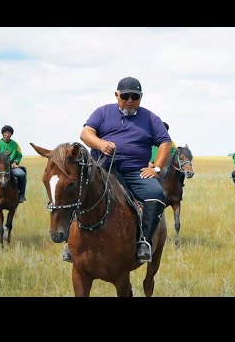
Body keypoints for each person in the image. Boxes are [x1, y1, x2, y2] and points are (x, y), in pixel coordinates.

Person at [72, 76, 172, 264]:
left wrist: (157, 167)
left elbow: (165, 142)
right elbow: (86, 133)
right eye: (125, 96)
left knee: (157, 195)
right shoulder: (103, 112)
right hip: (103, 168)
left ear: (141, 98)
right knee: (78, 189)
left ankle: (144, 242)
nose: (130, 101)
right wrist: (101, 144)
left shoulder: (150, 118)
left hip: (136, 171)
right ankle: (71, 244)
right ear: (117, 95)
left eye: (135, 96)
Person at [0, 125, 27, 203]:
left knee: (22, 174)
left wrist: (15, 162)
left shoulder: (15, 144)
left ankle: (21, 195)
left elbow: (19, 155)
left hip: (11, 166)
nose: (7, 134)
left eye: (9, 133)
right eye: (5, 133)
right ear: (3, 134)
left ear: (11, 134)